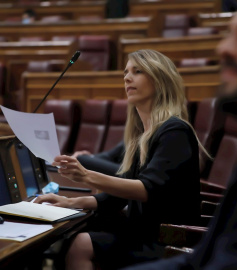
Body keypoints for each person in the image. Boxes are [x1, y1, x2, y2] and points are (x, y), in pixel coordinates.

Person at [122, 0, 237, 269]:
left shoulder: (174, 130)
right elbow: (201, 262)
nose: (223, 48)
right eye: (229, 35)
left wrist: (86, 175)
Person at [35, 49, 204, 270]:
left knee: (80, 244)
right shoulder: (143, 136)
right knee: (75, 237)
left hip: (166, 242)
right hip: (142, 233)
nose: (126, 77)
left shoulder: (174, 132)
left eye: (137, 71)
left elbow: (146, 190)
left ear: (160, 80)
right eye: (125, 72)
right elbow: (116, 198)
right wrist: (70, 203)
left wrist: (86, 176)